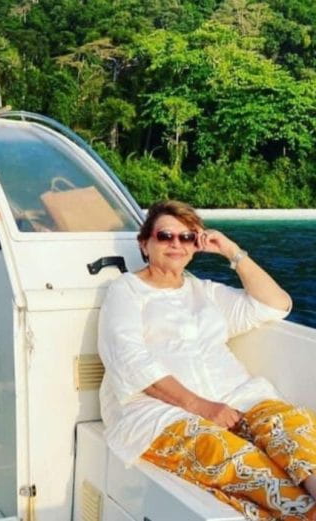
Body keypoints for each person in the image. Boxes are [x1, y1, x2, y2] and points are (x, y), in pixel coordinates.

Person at [98, 200, 316, 521]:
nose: (176, 244)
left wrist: (232, 251)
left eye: (186, 238)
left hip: (239, 396)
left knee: (293, 429)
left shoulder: (206, 292)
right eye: (165, 236)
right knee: (240, 462)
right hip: (160, 413)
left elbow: (276, 304)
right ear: (144, 243)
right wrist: (201, 407)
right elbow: (130, 360)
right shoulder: (126, 291)